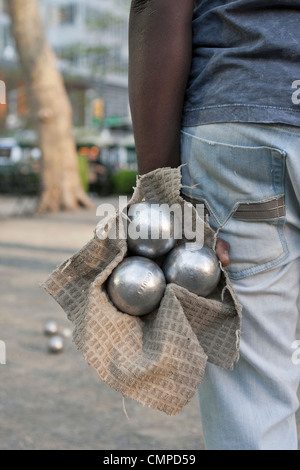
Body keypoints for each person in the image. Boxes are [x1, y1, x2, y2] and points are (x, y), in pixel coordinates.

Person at [128, 0, 300, 450]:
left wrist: (160, 196)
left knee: (251, 388)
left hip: (241, 124)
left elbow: (156, 6)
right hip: (242, 129)